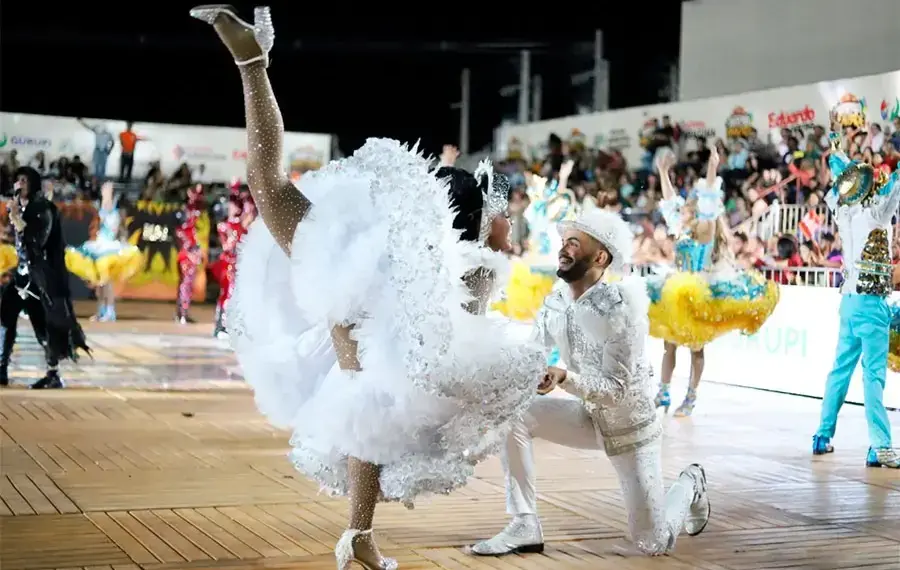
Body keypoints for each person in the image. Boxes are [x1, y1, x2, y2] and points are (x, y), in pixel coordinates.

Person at [190, 6, 545, 570]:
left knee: (269, 186)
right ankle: (357, 532)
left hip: (362, 349)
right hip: (391, 367)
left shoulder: (370, 249)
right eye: (502, 211)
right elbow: (462, 329)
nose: (510, 220)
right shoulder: (464, 265)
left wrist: (254, 71)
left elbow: (266, 182)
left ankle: (251, 64)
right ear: (474, 219)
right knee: (377, 419)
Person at [471, 209, 710, 557]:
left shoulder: (621, 309)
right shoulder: (555, 300)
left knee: (653, 542)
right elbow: (534, 352)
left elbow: (616, 390)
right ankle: (524, 523)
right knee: (515, 415)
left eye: (573, 243)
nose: (563, 249)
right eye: (564, 241)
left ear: (600, 257)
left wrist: (564, 377)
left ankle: (691, 482)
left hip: (632, 430)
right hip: (587, 418)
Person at [647, 148, 779, 416]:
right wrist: (662, 172)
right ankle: (663, 391)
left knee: (696, 348)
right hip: (676, 292)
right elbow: (669, 199)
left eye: (686, 207)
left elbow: (708, 198)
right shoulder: (682, 228)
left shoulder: (705, 230)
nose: (681, 208)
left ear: (696, 211)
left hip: (698, 293)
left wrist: (712, 168)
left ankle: (691, 397)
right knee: (669, 344)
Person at [812, 131, 900, 468]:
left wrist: (837, 156)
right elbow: (894, 184)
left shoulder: (842, 210)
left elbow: (840, 179)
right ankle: (881, 445)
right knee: (873, 375)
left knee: (840, 371)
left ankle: (822, 435)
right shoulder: (877, 213)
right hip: (871, 304)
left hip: (848, 303)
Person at [0, 167, 89, 388]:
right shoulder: (24, 207)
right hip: (23, 274)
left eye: (24, 180)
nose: (19, 184)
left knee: (42, 327)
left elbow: (36, 241)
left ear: (33, 183)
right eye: (17, 180)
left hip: (39, 278)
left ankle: (53, 373)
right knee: (4, 318)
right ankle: (1, 368)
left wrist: (16, 218)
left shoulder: (43, 208)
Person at [65, 182, 143, 322]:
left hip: (108, 247)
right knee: (100, 283)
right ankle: (101, 310)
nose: (104, 193)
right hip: (99, 245)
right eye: (103, 190)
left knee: (106, 282)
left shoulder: (114, 212)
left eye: (107, 191)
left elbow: (114, 230)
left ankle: (110, 311)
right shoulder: (101, 208)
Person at [210, 193, 246, 338]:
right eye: (232, 205)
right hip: (227, 264)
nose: (234, 207)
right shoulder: (224, 226)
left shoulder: (238, 225)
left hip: (235, 265)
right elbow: (227, 246)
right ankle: (222, 327)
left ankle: (224, 326)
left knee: (231, 295)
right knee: (227, 294)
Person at [175, 184, 205, 325]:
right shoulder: (186, 215)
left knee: (187, 283)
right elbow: (180, 233)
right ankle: (182, 313)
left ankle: (182, 312)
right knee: (185, 283)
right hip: (186, 254)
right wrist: (190, 249)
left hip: (190, 253)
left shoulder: (195, 218)